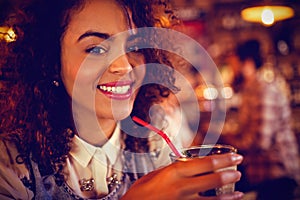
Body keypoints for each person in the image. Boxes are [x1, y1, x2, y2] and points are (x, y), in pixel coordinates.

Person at [0, 0, 244, 199]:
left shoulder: (157, 134)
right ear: (51, 63)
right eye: (96, 49)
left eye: (134, 47)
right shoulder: (9, 166)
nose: (125, 66)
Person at [221, 39, 300, 199]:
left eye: (234, 65)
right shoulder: (251, 91)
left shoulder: (263, 92)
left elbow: (260, 141)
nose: (231, 71)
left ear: (248, 65)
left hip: (279, 176)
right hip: (263, 175)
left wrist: (228, 141)